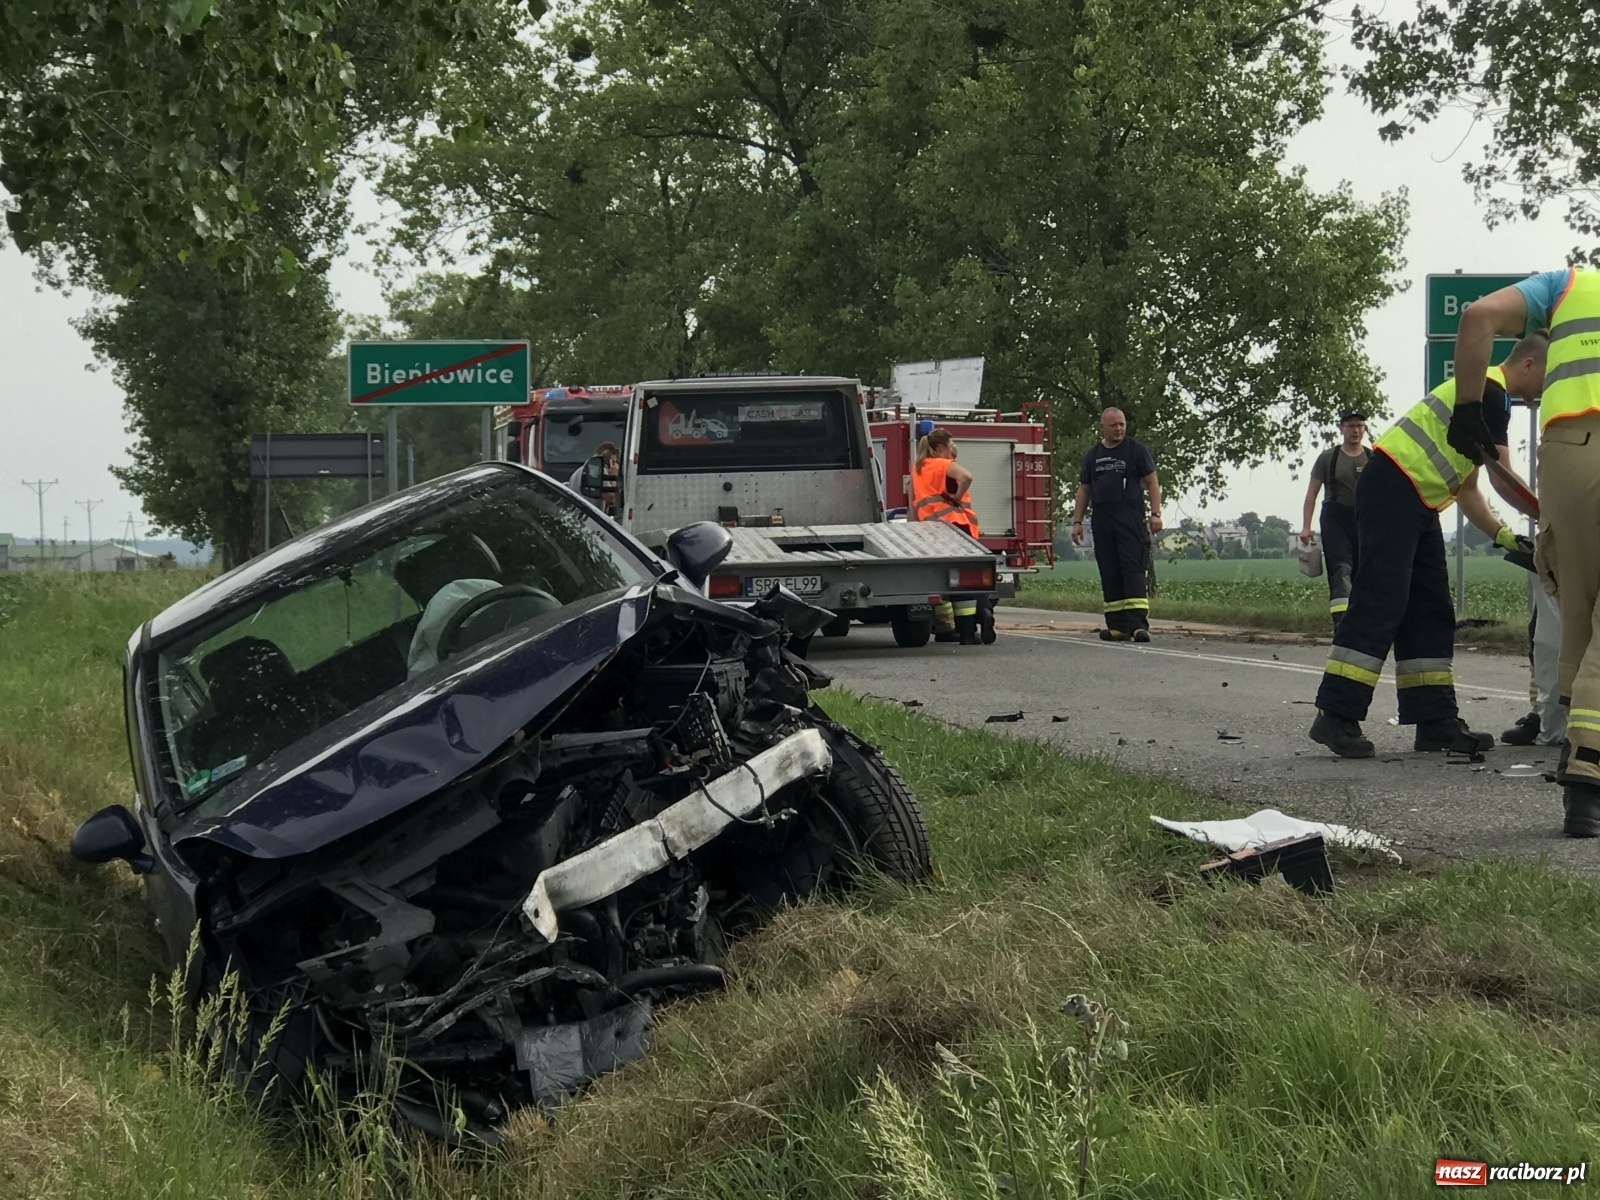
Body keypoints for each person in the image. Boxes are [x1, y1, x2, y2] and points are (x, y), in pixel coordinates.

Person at [1308, 335, 1546, 758]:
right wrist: (1552, 518)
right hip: (1394, 488)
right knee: (1382, 599)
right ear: (1528, 365)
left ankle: (1434, 721)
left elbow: (1469, 487)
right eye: (1546, 378)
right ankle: (1335, 714)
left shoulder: (1478, 393)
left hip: (1416, 499)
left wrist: (1503, 536)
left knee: (1430, 607)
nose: (1544, 391)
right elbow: (1502, 476)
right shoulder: (1490, 393)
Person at [1451, 268, 1600, 836]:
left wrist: (1470, 406)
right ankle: (1587, 769)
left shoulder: (1569, 286)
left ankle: (1576, 762)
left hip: (1568, 451)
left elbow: (1477, 316)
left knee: (1581, 609)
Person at [1070, 408, 1162, 642]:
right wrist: (1077, 522)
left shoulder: (1136, 450)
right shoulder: (1093, 455)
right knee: (1110, 571)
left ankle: (1137, 625)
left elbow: (1152, 482)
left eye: (1122, 424)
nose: (1119, 429)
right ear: (1102, 427)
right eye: (1114, 425)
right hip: (1102, 520)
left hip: (1130, 519)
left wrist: (1155, 514)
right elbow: (1084, 489)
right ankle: (1117, 626)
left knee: (1132, 570)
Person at [911, 428, 995, 645]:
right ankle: (982, 613)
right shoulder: (942, 465)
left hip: (932, 531)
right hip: (957, 527)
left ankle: (966, 632)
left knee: (951, 580)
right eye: (950, 446)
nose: (953, 450)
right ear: (939, 448)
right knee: (969, 578)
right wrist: (957, 497)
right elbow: (967, 476)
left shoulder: (918, 468)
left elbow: (913, 503)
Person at [1299, 411, 1371, 631]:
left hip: (1364, 519)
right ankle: (1342, 624)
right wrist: (1306, 526)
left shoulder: (1373, 457)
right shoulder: (1328, 458)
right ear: (1341, 429)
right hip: (1335, 517)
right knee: (1341, 568)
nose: (1356, 430)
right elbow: (1312, 493)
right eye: (1350, 426)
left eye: (1360, 426)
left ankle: (1363, 621)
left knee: (1364, 570)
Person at [568, 441, 620, 516]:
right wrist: (613, 474)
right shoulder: (598, 470)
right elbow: (611, 498)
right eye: (614, 463)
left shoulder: (578, 471)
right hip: (591, 518)